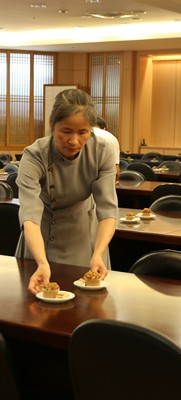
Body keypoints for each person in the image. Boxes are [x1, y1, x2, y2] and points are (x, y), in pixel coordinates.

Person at [16, 89, 118, 294]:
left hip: (82, 235)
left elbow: (107, 209)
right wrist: (42, 262)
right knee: (34, 308)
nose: (74, 141)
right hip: (39, 234)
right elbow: (30, 214)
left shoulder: (102, 151)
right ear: (52, 126)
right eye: (66, 131)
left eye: (83, 132)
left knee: (86, 305)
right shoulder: (35, 155)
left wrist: (99, 252)